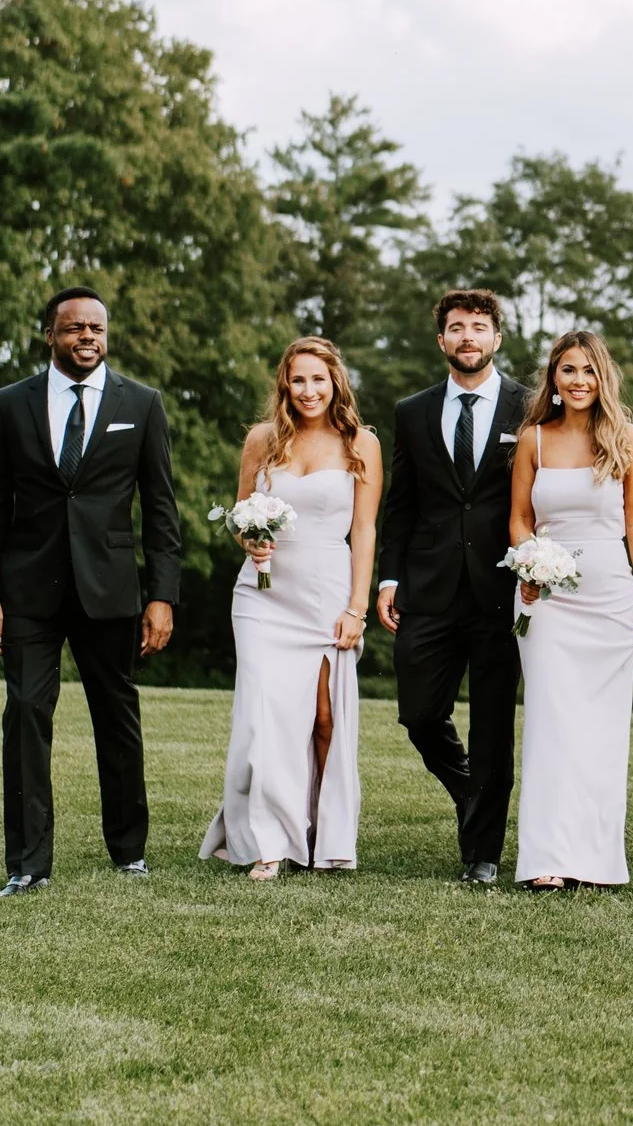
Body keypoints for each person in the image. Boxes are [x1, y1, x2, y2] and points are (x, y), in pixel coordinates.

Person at [0, 286, 181, 897]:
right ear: (51, 336)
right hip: (27, 591)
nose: (87, 337)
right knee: (27, 715)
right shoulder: (11, 405)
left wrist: (162, 594)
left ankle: (129, 851)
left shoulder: (141, 404)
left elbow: (161, 509)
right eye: (74, 328)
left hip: (109, 590)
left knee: (116, 717)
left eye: (96, 329)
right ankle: (27, 865)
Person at [201, 337, 379, 878]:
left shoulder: (360, 443)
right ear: (285, 384)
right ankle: (268, 843)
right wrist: (248, 541)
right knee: (264, 716)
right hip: (262, 595)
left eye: (319, 380)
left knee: (324, 719)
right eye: (298, 380)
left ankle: (321, 832)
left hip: (327, 592)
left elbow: (365, 529)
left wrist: (357, 607)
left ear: (335, 383)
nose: (308, 390)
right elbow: (240, 515)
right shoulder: (262, 439)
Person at [375, 289, 531, 885]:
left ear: (496, 338)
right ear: (441, 340)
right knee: (418, 712)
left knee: (492, 721)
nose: (469, 336)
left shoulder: (528, 406)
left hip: (501, 589)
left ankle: (483, 854)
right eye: (457, 327)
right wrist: (389, 576)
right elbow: (403, 502)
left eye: (479, 327)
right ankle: (471, 792)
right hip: (429, 586)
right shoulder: (413, 411)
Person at [507, 330, 633, 890]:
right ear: (553, 378)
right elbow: (520, 517)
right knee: (551, 721)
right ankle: (546, 859)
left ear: (603, 378)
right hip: (545, 601)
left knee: (599, 729)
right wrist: (528, 562)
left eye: (588, 370)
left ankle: (594, 859)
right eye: (567, 370)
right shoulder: (534, 442)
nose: (577, 381)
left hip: (609, 596)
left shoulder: (627, 438)